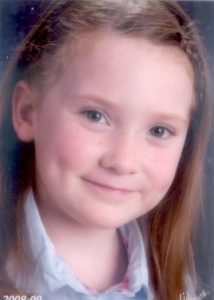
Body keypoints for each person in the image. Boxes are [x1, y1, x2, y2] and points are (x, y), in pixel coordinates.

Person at [0, 0, 210, 299]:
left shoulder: (181, 286)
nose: (123, 162)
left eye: (158, 131)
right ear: (27, 112)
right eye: (95, 116)